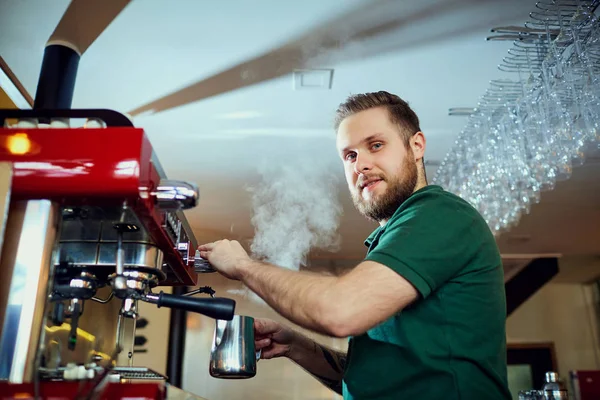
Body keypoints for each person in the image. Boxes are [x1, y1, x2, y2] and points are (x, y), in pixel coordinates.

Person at [198, 91, 511, 400]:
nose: (360, 164)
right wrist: (296, 346)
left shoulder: (437, 214)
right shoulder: (390, 242)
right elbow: (372, 378)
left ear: (416, 146)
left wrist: (243, 266)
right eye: (350, 155)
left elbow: (340, 312)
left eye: (375, 145)